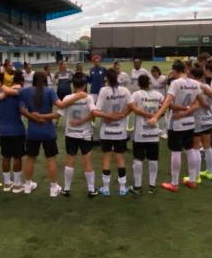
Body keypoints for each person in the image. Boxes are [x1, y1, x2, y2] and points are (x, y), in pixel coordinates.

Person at [18, 71, 85, 196]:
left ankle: (27, 186)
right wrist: (78, 95)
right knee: (51, 159)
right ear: (45, 80)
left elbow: (21, 109)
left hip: (33, 131)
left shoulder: (24, 91)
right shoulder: (49, 91)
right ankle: (53, 188)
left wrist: (33, 117)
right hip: (48, 130)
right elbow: (61, 105)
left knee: (30, 158)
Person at [148, 61, 202, 192]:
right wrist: (187, 111)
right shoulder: (196, 83)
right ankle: (193, 180)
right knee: (190, 150)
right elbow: (198, 102)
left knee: (176, 152)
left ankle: (174, 183)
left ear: (174, 71)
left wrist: (156, 116)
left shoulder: (175, 83)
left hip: (177, 122)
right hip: (190, 121)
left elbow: (167, 102)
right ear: (185, 69)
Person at [57, 73, 99, 197]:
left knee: (70, 160)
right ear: (85, 85)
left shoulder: (67, 98)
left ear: (73, 85)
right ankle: (91, 190)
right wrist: (82, 121)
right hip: (85, 134)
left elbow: (59, 114)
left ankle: (66, 188)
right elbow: (93, 113)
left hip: (70, 134)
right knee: (87, 162)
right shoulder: (89, 98)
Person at [92, 68, 132, 196]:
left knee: (106, 157)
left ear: (107, 78)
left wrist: (108, 116)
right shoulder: (125, 91)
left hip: (107, 131)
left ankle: (106, 188)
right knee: (120, 157)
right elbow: (131, 106)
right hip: (120, 131)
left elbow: (96, 111)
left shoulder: (104, 91)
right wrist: (120, 116)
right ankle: (122, 188)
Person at [128, 74, 163, 194]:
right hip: (153, 133)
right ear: (149, 83)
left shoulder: (136, 95)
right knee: (153, 159)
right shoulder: (158, 95)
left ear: (138, 84)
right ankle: (152, 185)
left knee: (138, 159)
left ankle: (137, 186)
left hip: (140, 133)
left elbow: (131, 108)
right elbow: (162, 111)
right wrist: (154, 116)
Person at [0, 71, 26, 193]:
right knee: (17, 157)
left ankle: (7, 183)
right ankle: (17, 184)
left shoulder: (1, 94)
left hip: (3, 130)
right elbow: (23, 110)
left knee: (6, 156)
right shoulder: (19, 94)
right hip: (17, 130)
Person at [188, 66, 212, 182]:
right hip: (207, 118)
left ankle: (197, 176)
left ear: (193, 76)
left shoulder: (194, 87)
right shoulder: (206, 86)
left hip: (197, 119)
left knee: (196, 147)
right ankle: (209, 172)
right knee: (207, 146)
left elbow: (196, 103)